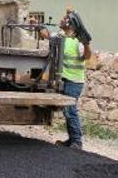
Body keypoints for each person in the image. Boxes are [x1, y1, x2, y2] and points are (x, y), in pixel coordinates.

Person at [40, 10, 93, 150]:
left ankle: (77, 141)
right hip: (64, 79)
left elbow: (87, 56)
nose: (61, 20)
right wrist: (37, 25)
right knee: (67, 110)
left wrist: (86, 43)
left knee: (70, 110)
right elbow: (45, 35)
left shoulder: (78, 41)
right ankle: (71, 140)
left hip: (74, 81)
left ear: (69, 24)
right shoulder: (61, 35)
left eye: (64, 19)